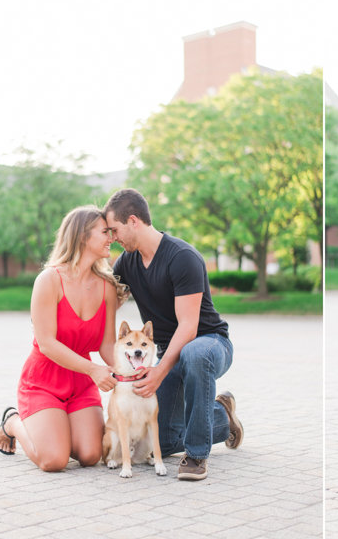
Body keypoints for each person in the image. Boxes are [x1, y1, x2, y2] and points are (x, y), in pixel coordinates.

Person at [103, 188, 242, 481]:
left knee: (195, 353)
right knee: (159, 442)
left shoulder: (182, 258)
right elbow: (106, 303)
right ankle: (222, 417)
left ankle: (196, 455)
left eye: (114, 230)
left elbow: (189, 329)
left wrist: (158, 372)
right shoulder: (127, 263)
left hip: (209, 343)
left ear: (133, 221)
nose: (113, 238)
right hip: (172, 351)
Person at [0, 206, 125, 471]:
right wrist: (93, 369)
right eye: (104, 232)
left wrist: (128, 373)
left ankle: (60, 425)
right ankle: (13, 422)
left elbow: (107, 345)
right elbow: (46, 343)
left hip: (81, 382)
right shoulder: (49, 280)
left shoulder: (108, 287)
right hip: (44, 380)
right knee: (54, 461)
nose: (111, 238)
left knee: (90, 455)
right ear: (82, 237)